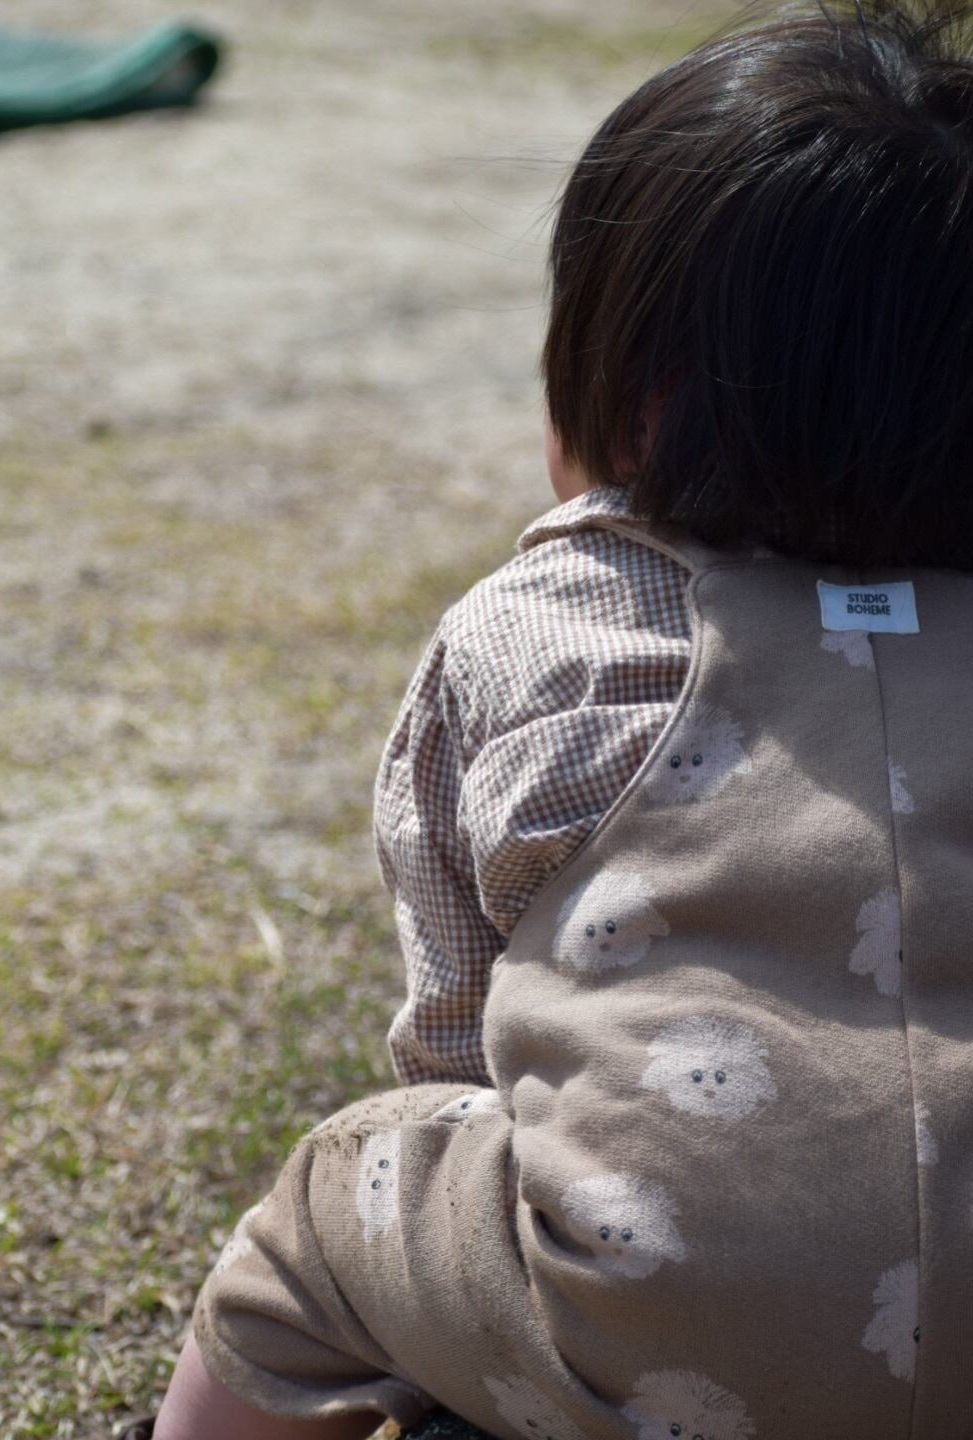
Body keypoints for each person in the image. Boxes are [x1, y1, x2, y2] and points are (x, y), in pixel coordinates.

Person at [152, 2, 973, 1435]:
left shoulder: (547, 629)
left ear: (639, 400)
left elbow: (459, 1043)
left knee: (343, 1197)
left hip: (648, 1316)